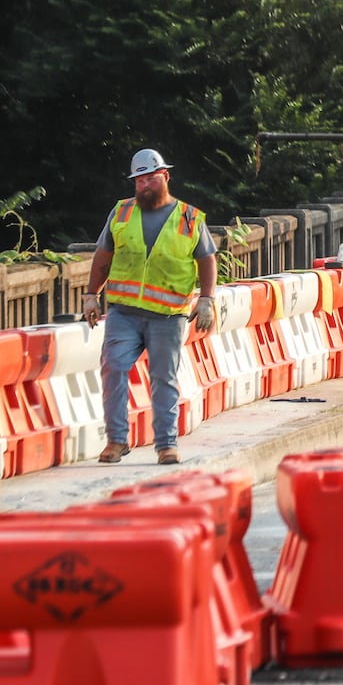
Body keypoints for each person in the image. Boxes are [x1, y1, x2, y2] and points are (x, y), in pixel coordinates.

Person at [82, 148, 219, 466]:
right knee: (113, 367)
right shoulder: (121, 213)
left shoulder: (188, 217)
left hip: (167, 316)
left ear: (165, 177)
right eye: (139, 180)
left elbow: (206, 260)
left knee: (163, 377)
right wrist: (91, 295)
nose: (145, 185)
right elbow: (103, 258)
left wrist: (208, 299)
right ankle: (116, 440)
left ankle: (166, 445)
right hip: (124, 312)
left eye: (151, 178)